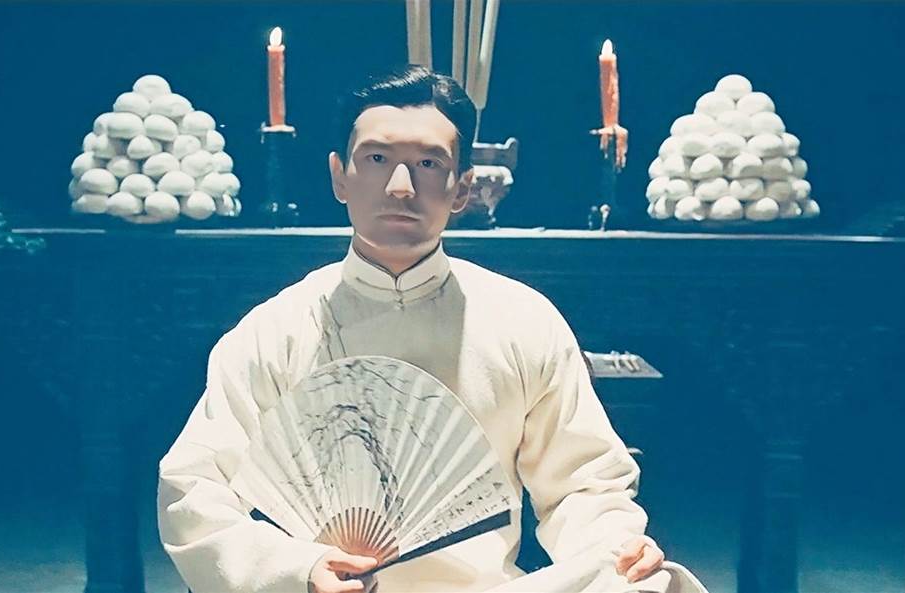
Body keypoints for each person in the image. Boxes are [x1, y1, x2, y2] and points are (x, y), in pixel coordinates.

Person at [158, 65, 706, 593]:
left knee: (645, 582)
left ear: (462, 188)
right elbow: (195, 489)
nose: (401, 187)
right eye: (377, 158)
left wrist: (616, 545)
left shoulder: (523, 320)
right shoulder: (275, 330)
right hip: (322, 589)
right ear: (339, 176)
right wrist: (297, 570)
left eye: (427, 163)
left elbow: (582, 484)